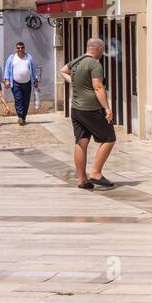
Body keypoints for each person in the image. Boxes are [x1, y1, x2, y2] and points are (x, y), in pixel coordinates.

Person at [61, 38, 115, 190]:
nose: (103, 52)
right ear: (98, 48)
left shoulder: (78, 61)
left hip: (76, 109)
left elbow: (63, 70)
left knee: (81, 142)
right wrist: (107, 108)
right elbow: (98, 87)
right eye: (102, 49)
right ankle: (96, 173)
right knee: (109, 138)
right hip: (91, 109)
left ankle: (82, 180)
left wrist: (73, 81)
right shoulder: (94, 64)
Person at [3, 41, 38, 125]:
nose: (20, 49)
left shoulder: (29, 57)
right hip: (15, 83)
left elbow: (33, 70)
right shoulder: (11, 58)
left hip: (27, 83)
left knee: (26, 101)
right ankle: (20, 117)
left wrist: (35, 80)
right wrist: (6, 80)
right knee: (18, 100)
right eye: (18, 48)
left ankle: (23, 117)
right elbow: (7, 69)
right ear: (16, 49)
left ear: (24, 48)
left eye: (22, 48)